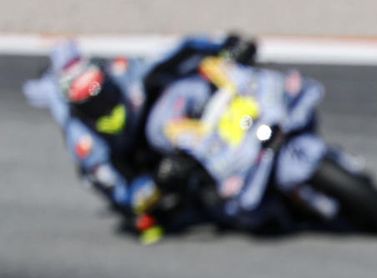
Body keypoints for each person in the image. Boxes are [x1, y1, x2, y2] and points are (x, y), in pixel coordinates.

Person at [23, 34, 257, 239]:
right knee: (147, 219)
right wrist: (158, 182)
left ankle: (235, 101)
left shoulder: (121, 71)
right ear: (81, 109)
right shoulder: (87, 145)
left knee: (173, 76)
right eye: (94, 102)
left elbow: (176, 51)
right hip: (137, 163)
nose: (104, 102)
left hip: (160, 120)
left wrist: (222, 48)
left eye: (103, 91)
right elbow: (124, 194)